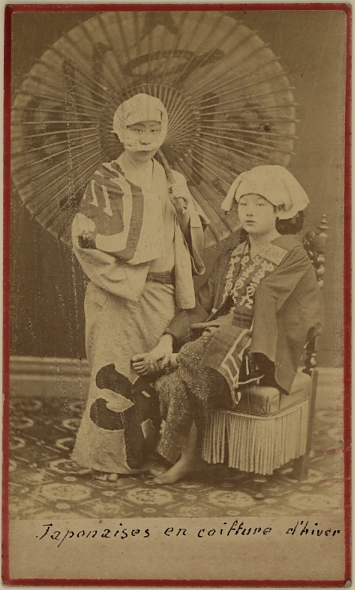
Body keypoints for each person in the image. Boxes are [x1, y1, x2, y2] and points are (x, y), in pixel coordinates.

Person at [134, 165, 325, 485]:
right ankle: (188, 457)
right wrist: (168, 338)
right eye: (243, 204)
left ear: (279, 210)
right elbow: (200, 306)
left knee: (195, 355)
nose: (248, 212)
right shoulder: (233, 255)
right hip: (214, 348)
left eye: (259, 204)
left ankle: (174, 374)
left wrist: (218, 329)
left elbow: (273, 310)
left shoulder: (293, 256)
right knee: (175, 379)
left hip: (262, 350)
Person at [71, 93, 208, 480]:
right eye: (136, 129)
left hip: (162, 292)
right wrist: (125, 279)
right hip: (118, 293)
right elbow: (85, 237)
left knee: (153, 377)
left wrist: (184, 213)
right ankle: (106, 459)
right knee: (114, 371)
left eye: (153, 129)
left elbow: (190, 244)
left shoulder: (172, 177)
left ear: (163, 132)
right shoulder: (106, 178)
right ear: (119, 131)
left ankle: (149, 454)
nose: (145, 138)